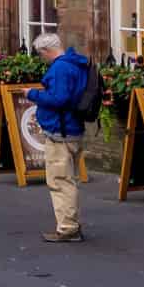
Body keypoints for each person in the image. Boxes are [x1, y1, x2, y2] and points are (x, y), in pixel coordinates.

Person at [25, 32, 92, 243]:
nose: (40, 58)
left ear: (45, 50)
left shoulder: (61, 68)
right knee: (68, 179)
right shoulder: (76, 64)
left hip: (61, 131)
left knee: (60, 181)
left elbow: (59, 98)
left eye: (40, 53)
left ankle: (68, 228)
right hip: (73, 129)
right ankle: (71, 224)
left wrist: (32, 94)